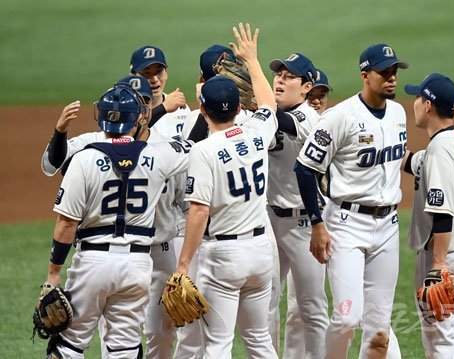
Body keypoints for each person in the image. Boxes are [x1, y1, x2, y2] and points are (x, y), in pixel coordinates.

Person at [40, 76, 187, 358]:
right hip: (137, 265)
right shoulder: (158, 155)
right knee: (124, 348)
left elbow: (67, 223)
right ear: (140, 118)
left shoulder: (83, 158)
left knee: (68, 345)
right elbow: (197, 148)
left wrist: (53, 275)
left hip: (92, 263)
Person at [294, 43, 409, 358]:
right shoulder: (339, 117)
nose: (391, 78)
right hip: (347, 226)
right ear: (365, 75)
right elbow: (304, 169)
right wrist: (317, 223)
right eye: (384, 72)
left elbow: (392, 161)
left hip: (388, 227)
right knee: (346, 318)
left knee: (380, 330)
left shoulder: (398, 114)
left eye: (394, 72)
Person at [173, 23, 278, 358]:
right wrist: (253, 60)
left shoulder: (203, 150)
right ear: (237, 107)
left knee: (217, 345)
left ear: (202, 110)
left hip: (223, 258)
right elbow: (268, 103)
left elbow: (199, 210)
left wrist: (183, 264)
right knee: (260, 340)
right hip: (262, 251)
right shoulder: (258, 133)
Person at [403, 73, 454, 358]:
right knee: (446, 334)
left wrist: (437, 267)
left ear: (428, 106)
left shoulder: (441, 149)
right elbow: (414, 162)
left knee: (440, 340)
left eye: (417, 97)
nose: (413, 103)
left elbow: (442, 213)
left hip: (446, 257)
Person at [266, 52, 330, 358]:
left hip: (304, 225)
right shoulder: (265, 113)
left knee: (312, 307)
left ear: (306, 87)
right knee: (265, 303)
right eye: (278, 74)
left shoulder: (310, 119)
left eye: (289, 77)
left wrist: (259, 99)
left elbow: (282, 121)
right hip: (268, 220)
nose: (280, 79)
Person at [283, 67, 332, 359]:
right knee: (293, 310)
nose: (316, 101)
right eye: (312, 96)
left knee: (315, 307)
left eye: (321, 96)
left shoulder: (322, 124)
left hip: (315, 223)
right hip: (278, 221)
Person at [129, 45, 190, 137]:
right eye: (146, 73)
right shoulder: (125, 108)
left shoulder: (181, 110)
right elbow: (130, 136)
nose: (154, 79)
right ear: (133, 77)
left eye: (159, 72)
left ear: (167, 73)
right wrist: (163, 108)